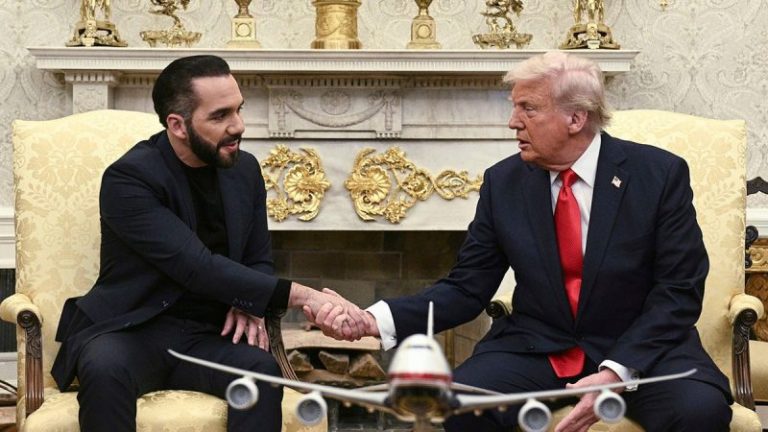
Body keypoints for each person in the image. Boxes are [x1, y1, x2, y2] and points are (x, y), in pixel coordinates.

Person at [312, 52, 733, 431]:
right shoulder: (504, 182)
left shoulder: (658, 175)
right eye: (514, 107)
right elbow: (467, 287)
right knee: (461, 405)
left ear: (576, 118)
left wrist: (616, 371)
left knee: (699, 412)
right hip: (538, 348)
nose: (513, 121)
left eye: (528, 108)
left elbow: (678, 291)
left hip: (641, 349)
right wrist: (373, 320)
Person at [51, 55, 365, 432]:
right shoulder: (129, 179)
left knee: (260, 371)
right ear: (178, 125)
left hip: (210, 336)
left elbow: (258, 259)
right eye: (220, 116)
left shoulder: (244, 170)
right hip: (132, 330)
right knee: (104, 368)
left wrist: (247, 302)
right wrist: (306, 296)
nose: (238, 126)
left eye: (238, 110)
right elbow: (196, 266)